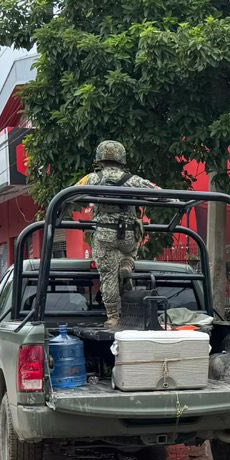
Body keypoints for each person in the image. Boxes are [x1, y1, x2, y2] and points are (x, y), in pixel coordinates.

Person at [76, 140, 160, 327]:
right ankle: (128, 262)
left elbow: (73, 196)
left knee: (107, 276)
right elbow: (159, 193)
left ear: (100, 159)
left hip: (104, 235)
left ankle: (113, 316)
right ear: (121, 159)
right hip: (128, 235)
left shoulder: (91, 179)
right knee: (132, 246)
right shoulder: (132, 180)